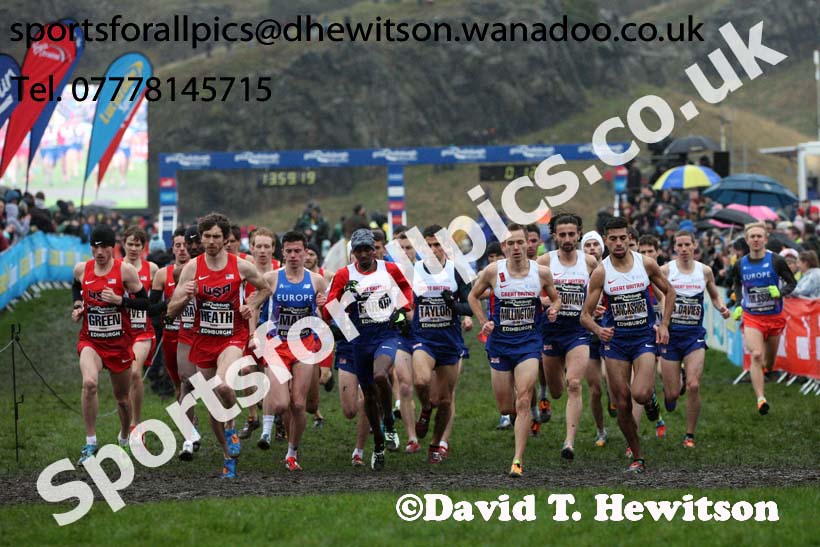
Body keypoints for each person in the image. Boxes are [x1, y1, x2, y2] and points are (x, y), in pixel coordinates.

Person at [167, 213, 268, 478]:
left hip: (231, 338)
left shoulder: (240, 266)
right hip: (203, 341)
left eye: (216, 237)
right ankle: (227, 453)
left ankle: (232, 428)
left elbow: (265, 287)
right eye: (207, 236)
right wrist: (185, 298)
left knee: (223, 385)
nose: (211, 241)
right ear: (200, 239)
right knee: (214, 407)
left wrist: (252, 305)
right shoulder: (192, 269)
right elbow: (170, 312)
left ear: (225, 240)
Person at [580, 217, 676, 474]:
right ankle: (637, 455)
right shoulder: (601, 272)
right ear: (606, 240)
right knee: (621, 403)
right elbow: (585, 315)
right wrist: (599, 330)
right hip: (616, 343)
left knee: (641, 394)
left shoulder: (645, 264)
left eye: (623, 238)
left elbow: (670, 292)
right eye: (613, 239)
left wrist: (664, 324)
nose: (619, 243)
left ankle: (651, 399)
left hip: (643, 338)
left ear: (629, 238)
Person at [468, 223, 561, 477]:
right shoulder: (491, 271)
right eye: (511, 244)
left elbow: (555, 297)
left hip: (529, 344)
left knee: (522, 400)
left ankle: (517, 460)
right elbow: (472, 296)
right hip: (499, 344)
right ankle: (519, 414)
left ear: (528, 244)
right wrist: (482, 321)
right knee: (505, 408)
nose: (516, 247)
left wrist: (554, 309)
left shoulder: (540, 273)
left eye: (520, 242)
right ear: (504, 247)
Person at [324, 229, 413, 470]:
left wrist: (402, 312)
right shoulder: (344, 275)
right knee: (369, 397)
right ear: (352, 253)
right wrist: (347, 319)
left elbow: (406, 290)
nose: (364, 254)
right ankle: (378, 442)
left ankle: (391, 423)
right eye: (359, 250)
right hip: (360, 341)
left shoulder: (389, 270)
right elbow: (329, 309)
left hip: (386, 334)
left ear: (374, 250)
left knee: (380, 375)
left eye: (368, 249)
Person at [248, 230, 328, 471]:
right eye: (289, 251)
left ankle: (292, 452)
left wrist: (324, 308)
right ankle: (269, 427)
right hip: (276, 345)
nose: (294, 256)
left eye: (298, 251)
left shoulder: (316, 281)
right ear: (282, 253)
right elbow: (252, 305)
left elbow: (323, 318)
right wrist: (253, 334)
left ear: (305, 252)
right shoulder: (271, 278)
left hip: (304, 345)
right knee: (282, 403)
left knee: (299, 404)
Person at [72, 224, 149, 466]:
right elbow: (76, 287)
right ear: (91, 248)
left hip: (118, 344)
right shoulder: (81, 269)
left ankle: (124, 436)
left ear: (112, 248)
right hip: (91, 340)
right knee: (89, 383)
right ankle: (91, 442)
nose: (100, 251)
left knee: (122, 400)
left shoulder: (125, 271)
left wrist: (120, 300)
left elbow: (145, 303)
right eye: (95, 247)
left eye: (104, 247)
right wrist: (77, 306)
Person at [659, 231, 730, 448]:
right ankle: (670, 391)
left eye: (687, 244)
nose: (683, 249)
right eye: (679, 245)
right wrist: (664, 321)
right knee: (672, 394)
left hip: (693, 335)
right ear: (674, 248)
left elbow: (714, 294)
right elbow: (660, 296)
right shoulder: (666, 270)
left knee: (694, 385)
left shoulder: (705, 271)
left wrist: (721, 307)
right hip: (671, 336)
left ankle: (689, 435)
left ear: (694, 245)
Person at [537, 214, 598, 460]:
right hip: (551, 331)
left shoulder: (591, 262)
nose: (567, 239)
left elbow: (600, 289)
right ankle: (551, 389)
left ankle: (569, 443)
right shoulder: (544, 262)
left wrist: (596, 306)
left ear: (579, 234)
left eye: (571, 234)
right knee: (557, 391)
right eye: (562, 235)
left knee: (574, 384)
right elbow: (527, 294)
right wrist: (549, 303)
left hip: (577, 331)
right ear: (554, 236)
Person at [411, 224, 473, 463]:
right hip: (423, 338)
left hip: (449, 341)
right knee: (421, 380)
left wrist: (455, 306)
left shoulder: (456, 271)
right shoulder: (414, 270)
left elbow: (471, 305)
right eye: (428, 245)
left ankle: (436, 444)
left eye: (437, 245)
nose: (433, 249)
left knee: (446, 400)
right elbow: (400, 300)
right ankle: (426, 407)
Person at [732, 222, 797, 415]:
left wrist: (780, 292)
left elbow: (792, 282)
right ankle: (761, 399)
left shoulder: (776, 261)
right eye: (752, 236)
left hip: (774, 316)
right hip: (753, 317)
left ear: (765, 239)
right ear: (747, 239)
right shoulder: (740, 264)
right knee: (756, 355)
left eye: (759, 236)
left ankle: (767, 371)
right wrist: (738, 305)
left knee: (768, 362)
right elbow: (736, 284)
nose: (756, 239)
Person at [120, 226, 159, 437]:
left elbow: (155, 301)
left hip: (143, 330)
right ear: (123, 244)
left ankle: (137, 425)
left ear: (144, 247)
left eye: (138, 245)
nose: (134, 248)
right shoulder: (116, 267)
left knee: (135, 372)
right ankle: (126, 426)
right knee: (125, 379)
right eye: (131, 244)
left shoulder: (152, 269)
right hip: (120, 331)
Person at [580, 230, 612, 445]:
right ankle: (601, 431)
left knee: (612, 382)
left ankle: (615, 399)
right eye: (587, 245)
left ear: (602, 247)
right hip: (587, 333)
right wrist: (589, 312)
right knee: (594, 389)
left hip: (610, 330)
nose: (592, 248)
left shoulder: (613, 268)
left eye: (595, 244)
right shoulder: (577, 274)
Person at [150, 227, 190, 400]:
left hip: (194, 334)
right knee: (178, 381)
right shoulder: (161, 274)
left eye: (185, 245)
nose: (182, 249)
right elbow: (150, 308)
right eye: (177, 245)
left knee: (190, 380)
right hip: (171, 335)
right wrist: (167, 304)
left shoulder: (201, 271)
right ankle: (188, 419)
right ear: (172, 248)